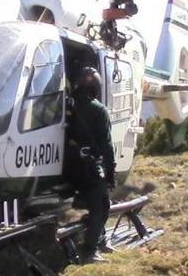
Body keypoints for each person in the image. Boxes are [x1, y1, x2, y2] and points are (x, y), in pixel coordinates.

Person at [64, 66, 116, 264]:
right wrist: (111, 174)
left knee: (93, 198)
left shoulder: (66, 105)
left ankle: (98, 238)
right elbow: (106, 146)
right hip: (87, 168)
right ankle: (90, 250)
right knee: (101, 205)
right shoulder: (98, 109)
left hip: (67, 168)